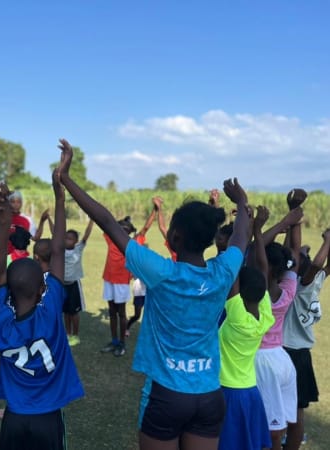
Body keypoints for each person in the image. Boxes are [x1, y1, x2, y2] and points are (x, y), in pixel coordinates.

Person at [56, 138, 250, 450]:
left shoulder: (162, 273)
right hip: (211, 396)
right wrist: (241, 203)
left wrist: (66, 178)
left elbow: (106, 220)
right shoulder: (223, 270)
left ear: (174, 237)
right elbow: (241, 236)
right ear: (210, 239)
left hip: (167, 396)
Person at [0, 172, 84, 450]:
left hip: (14, 418)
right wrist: (59, 194)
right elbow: (57, 253)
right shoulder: (50, 310)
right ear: (42, 290)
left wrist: (3, 221)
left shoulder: (1, 317)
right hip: (48, 418)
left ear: (7, 291)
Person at [218, 206, 274, 450]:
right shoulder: (264, 316)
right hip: (251, 393)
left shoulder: (237, 316)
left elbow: (233, 268)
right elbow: (263, 270)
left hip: (227, 392)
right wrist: (256, 231)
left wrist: (246, 227)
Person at [254, 192, 304, 450]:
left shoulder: (256, 295)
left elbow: (258, 255)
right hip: (283, 360)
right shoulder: (287, 291)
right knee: (280, 427)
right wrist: (295, 216)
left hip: (262, 362)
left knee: (270, 432)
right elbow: (294, 252)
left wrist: (258, 228)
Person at [282, 228, 330, 450]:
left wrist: (327, 241)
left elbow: (316, 265)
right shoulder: (316, 282)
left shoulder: (300, 286)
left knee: (292, 412)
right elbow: (323, 267)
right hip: (302, 353)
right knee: (296, 410)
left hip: (289, 352)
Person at [100, 215, 136, 357]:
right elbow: (106, 223)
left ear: (128, 232)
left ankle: (122, 343)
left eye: (124, 230)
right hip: (109, 279)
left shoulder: (130, 244)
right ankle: (114, 341)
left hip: (121, 282)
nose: (120, 232)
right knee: (112, 312)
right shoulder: (111, 239)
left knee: (121, 313)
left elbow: (144, 229)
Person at [0, 189, 46, 254]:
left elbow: (36, 238)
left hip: (19, 258)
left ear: (21, 203)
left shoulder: (27, 220)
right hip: (1, 257)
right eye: (13, 202)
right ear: (8, 203)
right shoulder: (1, 217)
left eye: (18, 202)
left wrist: (42, 221)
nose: (16, 205)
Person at [125, 205, 157, 336]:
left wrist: (155, 210)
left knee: (153, 312)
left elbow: (146, 227)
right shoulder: (129, 248)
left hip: (149, 287)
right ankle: (127, 327)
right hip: (139, 287)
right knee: (137, 315)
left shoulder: (139, 245)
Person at [63, 219, 94, 346]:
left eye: (70, 238)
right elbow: (56, 233)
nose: (67, 240)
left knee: (74, 312)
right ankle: (68, 333)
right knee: (65, 311)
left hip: (74, 285)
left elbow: (86, 234)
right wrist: (48, 219)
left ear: (75, 241)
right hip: (62, 285)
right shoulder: (61, 250)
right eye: (66, 237)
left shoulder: (78, 249)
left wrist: (92, 220)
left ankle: (75, 335)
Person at [152, 196, 177, 261]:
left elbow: (162, 227)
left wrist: (159, 207)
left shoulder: (177, 245)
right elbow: (162, 227)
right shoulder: (193, 243)